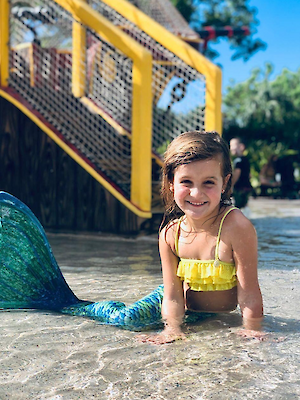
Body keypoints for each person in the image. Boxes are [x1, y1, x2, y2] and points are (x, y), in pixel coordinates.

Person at [140, 131, 263, 344]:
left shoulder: (236, 227)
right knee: (125, 319)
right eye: (186, 181)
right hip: (178, 307)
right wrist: (172, 329)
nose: (196, 193)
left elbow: (249, 293)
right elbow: (172, 296)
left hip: (219, 317)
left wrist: (253, 329)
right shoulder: (170, 234)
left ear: (224, 183)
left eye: (208, 182)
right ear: (171, 182)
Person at [229, 137, 253, 209]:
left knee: (237, 207)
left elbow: (237, 173)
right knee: (244, 207)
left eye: (233, 145)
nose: (231, 148)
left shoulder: (238, 161)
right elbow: (249, 175)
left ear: (241, 147)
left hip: (239, 188)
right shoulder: (246, 159)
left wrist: (230, 185)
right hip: (247, 187)